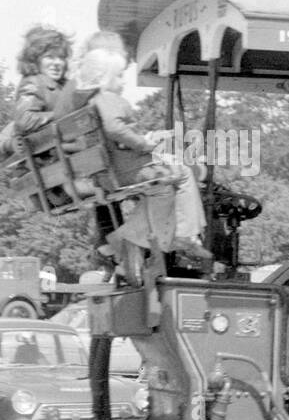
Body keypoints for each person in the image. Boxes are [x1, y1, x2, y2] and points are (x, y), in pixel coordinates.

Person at [62, 48, 210, 261]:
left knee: (162, 186)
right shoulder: (106, 97)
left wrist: (148, 138)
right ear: (104, 78)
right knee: (183, 172)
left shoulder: (86, 104)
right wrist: (144, 144)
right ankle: (185, 235)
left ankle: (123, 241)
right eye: (119, 76)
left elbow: (111, 138)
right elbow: (114, 129)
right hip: (123, 171)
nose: (122, 82)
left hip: (104, 174)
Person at [0, 26, 73, 157]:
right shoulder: (33, 83)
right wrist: (58, 114)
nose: (57, 63)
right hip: (45, 156)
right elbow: (25, 120)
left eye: (61, 58)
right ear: (35, 60)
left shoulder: (65, 86)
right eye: (50, 57)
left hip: (63, 147)